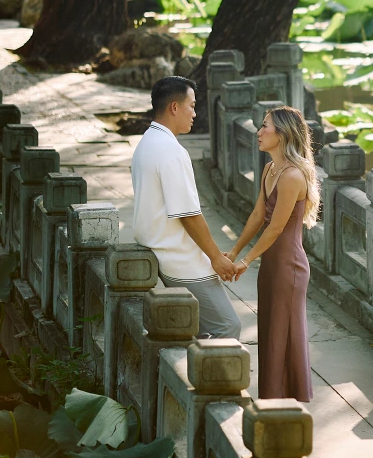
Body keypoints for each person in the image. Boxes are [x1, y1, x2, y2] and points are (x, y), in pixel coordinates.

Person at [131, 75, 241, 339]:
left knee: (198, 331)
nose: (195, 113)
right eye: (191, 106)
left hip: (164, 251)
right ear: (174, 107)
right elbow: (189, 215)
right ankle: (204, 379)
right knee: (227, 327)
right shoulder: (171, 151)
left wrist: (213, 254)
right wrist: (214, 257)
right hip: (179, 261)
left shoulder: (147, 142)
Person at [226, 105, 316, 400]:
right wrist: (235, 250)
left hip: (288, 267)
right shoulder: (270, 169)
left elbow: (276, 228)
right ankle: (272, 400)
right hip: (271, 265)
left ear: (283, 134)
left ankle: (284, 402)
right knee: (270, 333)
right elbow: (257, 216)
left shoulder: (292, 176)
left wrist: (246, 261)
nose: (259, 132)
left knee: (283, 335)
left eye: (265, 127)